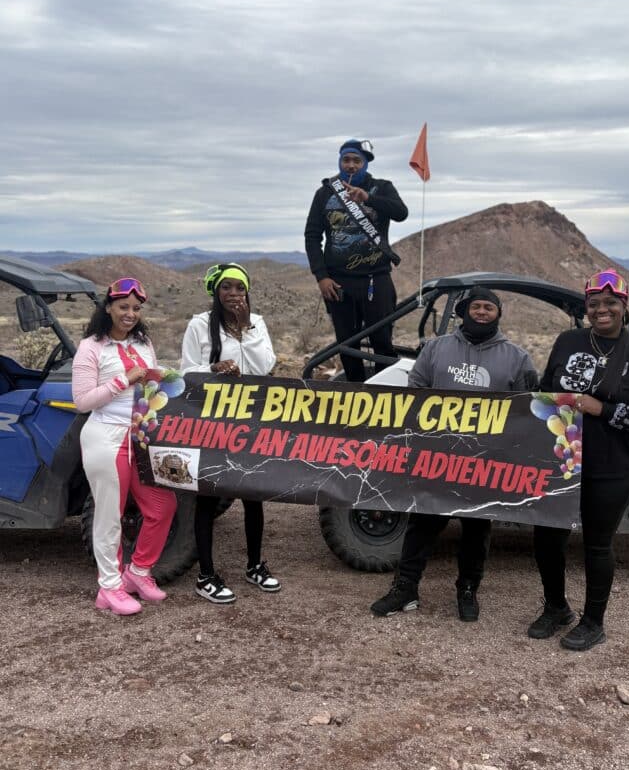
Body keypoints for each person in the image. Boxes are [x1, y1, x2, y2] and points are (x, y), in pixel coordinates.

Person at [371, 286, 538, 621]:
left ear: (497, 314)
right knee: (422, 523)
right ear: (464, 311)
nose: (481, 312)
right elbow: (416, 389)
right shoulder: (437, 348)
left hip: (484, 461)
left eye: (488, 308)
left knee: (477, 530)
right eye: (475, 306)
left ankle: (467, 590)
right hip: (438, 458)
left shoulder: (517, 358)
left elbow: (528, 407)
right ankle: (405, 588)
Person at [528, 268, 629, 651]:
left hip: (611, 466)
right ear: (586, 308)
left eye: (610, 303)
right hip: (562, 460)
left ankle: (593, 622)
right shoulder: (567, 341)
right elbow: (545, 393)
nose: (601, 310)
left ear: (624, 307)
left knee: (596, 544)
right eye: (594, 304)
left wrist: (602, 409)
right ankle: (556, 608)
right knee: (546, 538)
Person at [72, 278, 177, 615]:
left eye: (135, 308)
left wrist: (165, 378)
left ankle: (138, 572)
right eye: (123, 307)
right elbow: (83, 401)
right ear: (108, 308)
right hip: (106, 437)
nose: (130, 314)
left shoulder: (143, 342)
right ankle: (110, 587)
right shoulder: (91, 347)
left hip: (141, 437)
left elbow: (150, 387)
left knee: (162, 505)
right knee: (109, 515)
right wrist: (123, 379)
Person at [180, 262, 281, 604]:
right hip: (212, 423)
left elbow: (264, 366)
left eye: (239, 288)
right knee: (209, 495)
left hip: (250, 420)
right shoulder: (199, 325)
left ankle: (255, 565)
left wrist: (245, 328)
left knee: (253, 492)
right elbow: (186, 372)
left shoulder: (258, 324)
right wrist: (212, 368)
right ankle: (206, 574)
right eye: (226, 287)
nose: (233, 294)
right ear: (215, 291)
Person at [304, 138, 408, 381]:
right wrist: (321, 277)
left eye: (356, 161)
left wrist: (368, 199)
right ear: (340, 161)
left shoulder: (382, 187)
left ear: (366, 164)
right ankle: (354, 393)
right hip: (338, 283)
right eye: (346, 160)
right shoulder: (325, 193)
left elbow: (401, 213)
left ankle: (386, 392)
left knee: (382, 341)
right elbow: (312, 237)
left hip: (376, 280)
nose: (351, 165)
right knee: (347, 344)